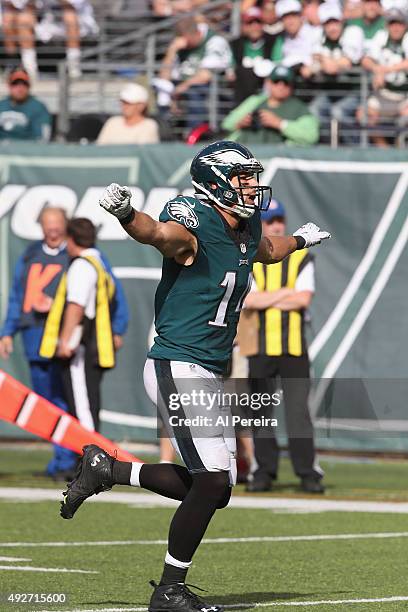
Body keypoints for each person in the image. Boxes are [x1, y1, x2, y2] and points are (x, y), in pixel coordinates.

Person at [59, 140, 331, 611]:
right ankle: (169, 589)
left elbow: (268, 249)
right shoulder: (195, 221)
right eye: (243, 177)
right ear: (216, 182)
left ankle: (108, 469)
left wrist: (301, 240)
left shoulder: (246, 226)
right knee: (210, 482)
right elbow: (160, 235)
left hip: (206, 368)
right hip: (177, 361)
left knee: (219, 487)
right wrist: (128, 215)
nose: (252, 185)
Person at [0, 208, 129, 477]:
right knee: (54, 405)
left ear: (69, 232)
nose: (53, 231)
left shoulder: (84, 260)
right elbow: (17, 295)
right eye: (47, 224)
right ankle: (67, 461)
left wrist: (115, 328)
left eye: (58, 225)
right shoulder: (31, 253)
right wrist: (8, 331)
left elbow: (90, 302)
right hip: (40, 341)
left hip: (73, 344)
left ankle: (81, 463)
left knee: (75, 405)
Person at [237, 200, 324, 494]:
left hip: (293, 347)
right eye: (270, 220)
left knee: (298, 411)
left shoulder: (302, 257)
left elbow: (303, 299)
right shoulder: (251, 256)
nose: (276, 225)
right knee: (260, 411)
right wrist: (285, 293)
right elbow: (250, 300)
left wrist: (271, 297)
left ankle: (307, 472)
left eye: (280, 219)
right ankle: (264, 471)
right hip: (260, 347)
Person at [39, 218, 128, 434]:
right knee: (87, 405)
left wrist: (65, 342)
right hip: (94, 345)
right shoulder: (99, 263)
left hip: (81, 347)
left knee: (83, 410)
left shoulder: (81, 265)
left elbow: (77, 306)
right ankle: (88, 463)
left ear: (71, 239)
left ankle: (91, 464)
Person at [154, 16, 232, 128]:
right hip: (181, 87)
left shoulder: (215, 40)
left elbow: (206, 75)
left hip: (212, 89)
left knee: (193, 90)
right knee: (161, 89)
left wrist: (180, 89)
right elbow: (163, 77)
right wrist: (172, 51)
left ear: (193, 33)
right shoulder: (180, 46)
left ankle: (195, 133)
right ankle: (166, 131)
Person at [222, 64, 320, 145]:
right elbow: (227, 124)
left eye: (285, 82)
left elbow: (311, 136)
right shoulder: (255, 101)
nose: (280, 86)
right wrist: (240, 123)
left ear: (291, 85)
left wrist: (280, 124)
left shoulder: (299, 108)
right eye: (276, 81)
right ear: (268, 83)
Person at [308, 3, 364, 142]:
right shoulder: (318, 35)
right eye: (328, 23)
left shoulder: (353, 32)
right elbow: (310, 66)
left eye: (335, 22)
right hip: (330, 91)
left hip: (354, 91)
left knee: (338, 112)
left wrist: (323, 59)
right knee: (313, 109)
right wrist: (324, 62)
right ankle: (328, 145)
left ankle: (353, 147)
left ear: (342, 21)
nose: (332, 28)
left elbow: (344, 62)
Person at [358, 7, 408, 146]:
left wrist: (385, 70)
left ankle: (401, 151)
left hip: (405, 96)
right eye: (392, 23)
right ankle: (384, 150)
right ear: (387, 25)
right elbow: (365, 59)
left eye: (399, 23)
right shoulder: (381, 37)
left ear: (405, 25)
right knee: (363, 115)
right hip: (383, 94)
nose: (396, 28)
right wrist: (376, 69)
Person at [228, 6, 277, 104]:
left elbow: (277, 63)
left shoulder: (272, 41)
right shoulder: (236, 44)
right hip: (242, 97)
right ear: (244, 26)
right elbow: (231, 68)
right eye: (250, 23)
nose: (255, 26)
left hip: (266, 96)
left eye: (258, 22)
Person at [0, 67, 51, 142]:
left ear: (29, 86)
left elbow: (42, 138)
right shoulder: (2, 105)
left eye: (24, 84)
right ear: (9, 86)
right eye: (15, 84)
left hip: (27, 151)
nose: (20, 88)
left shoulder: (38, 107)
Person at [1, 0, 38, 80]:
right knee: (7, 20)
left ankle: (29, 68)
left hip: (33, 14)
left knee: (23, 21)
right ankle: (12, 64)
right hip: (8, 14)